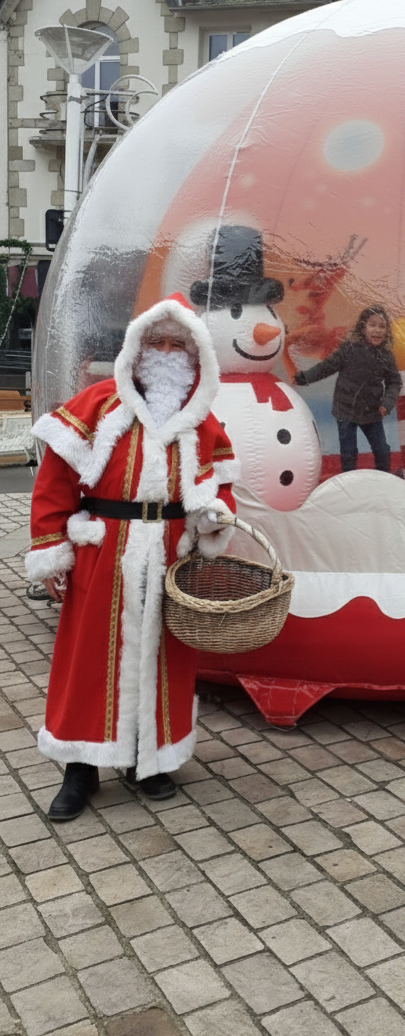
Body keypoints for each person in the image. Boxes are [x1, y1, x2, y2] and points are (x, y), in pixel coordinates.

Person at [26, 293, 239, 821]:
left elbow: (218, 492)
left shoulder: (201, 424)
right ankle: (81, 771)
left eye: (177, 344)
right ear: (136, 349)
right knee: (88, 659)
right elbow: (54, 486)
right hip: (104, 553)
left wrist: (212, 519)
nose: (166, 352)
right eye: (157, 342)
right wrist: (53, 552)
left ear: (194, 356)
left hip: (168, 557)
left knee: (164, 657)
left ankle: (150, 762)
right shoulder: (96, 406)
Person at [294, 305, 402, 473]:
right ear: (363, 327)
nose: (377, 330)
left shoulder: (386, 356)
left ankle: (384, 478)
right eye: (372, 325)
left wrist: (387, 403)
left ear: (387, 331)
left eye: (382, 326)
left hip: (371, 411)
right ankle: (349, 479)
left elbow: (394, 382)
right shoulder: (349, 349)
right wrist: (305, 377)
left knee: (382, 449)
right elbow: (326, 367)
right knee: (349, 451)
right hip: (345, 409)